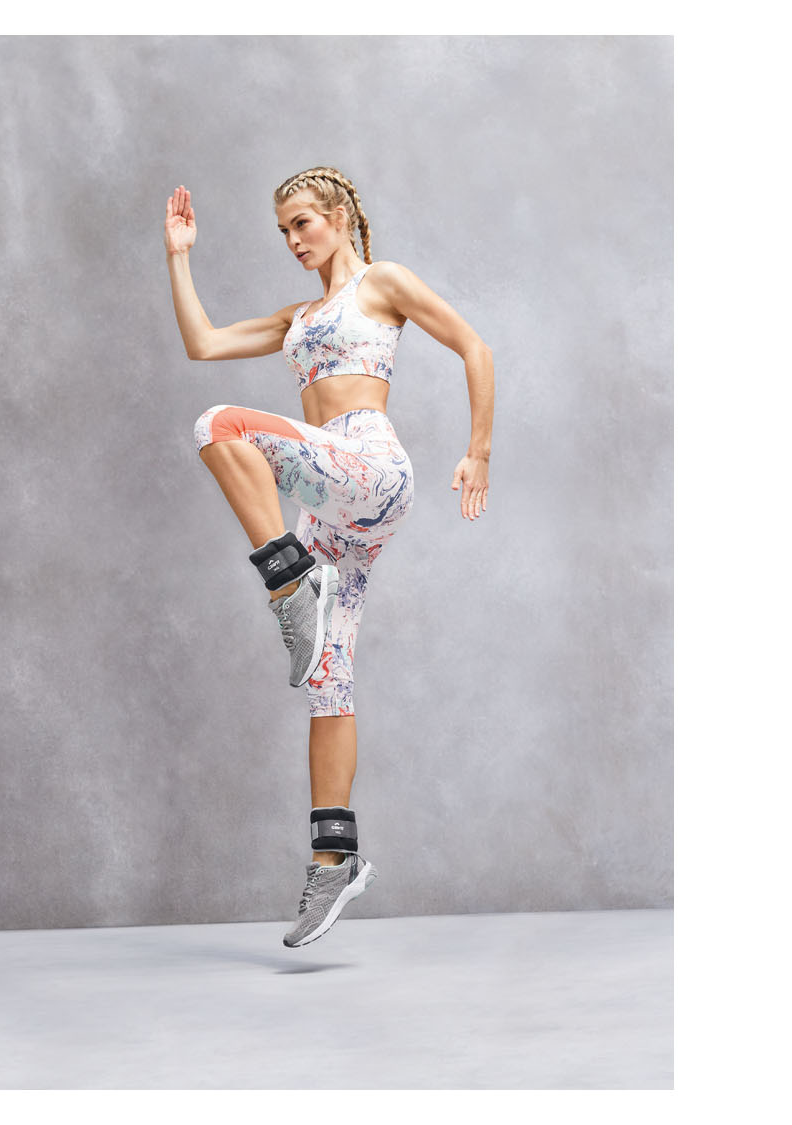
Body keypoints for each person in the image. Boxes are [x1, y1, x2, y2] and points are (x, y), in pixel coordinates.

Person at [164, 166, 494, 947]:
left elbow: (473, 346)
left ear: (340, 216)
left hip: (368, 464)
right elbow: (203, 342)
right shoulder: (297, 317)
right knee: (326, 677)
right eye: (283, 230)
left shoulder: (382, 283)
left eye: (303, 223)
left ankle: (289, 585)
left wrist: (478, 450)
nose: (292, 240)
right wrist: (179, 256)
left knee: (220, 426)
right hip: (329, 501)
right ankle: (334, 857)